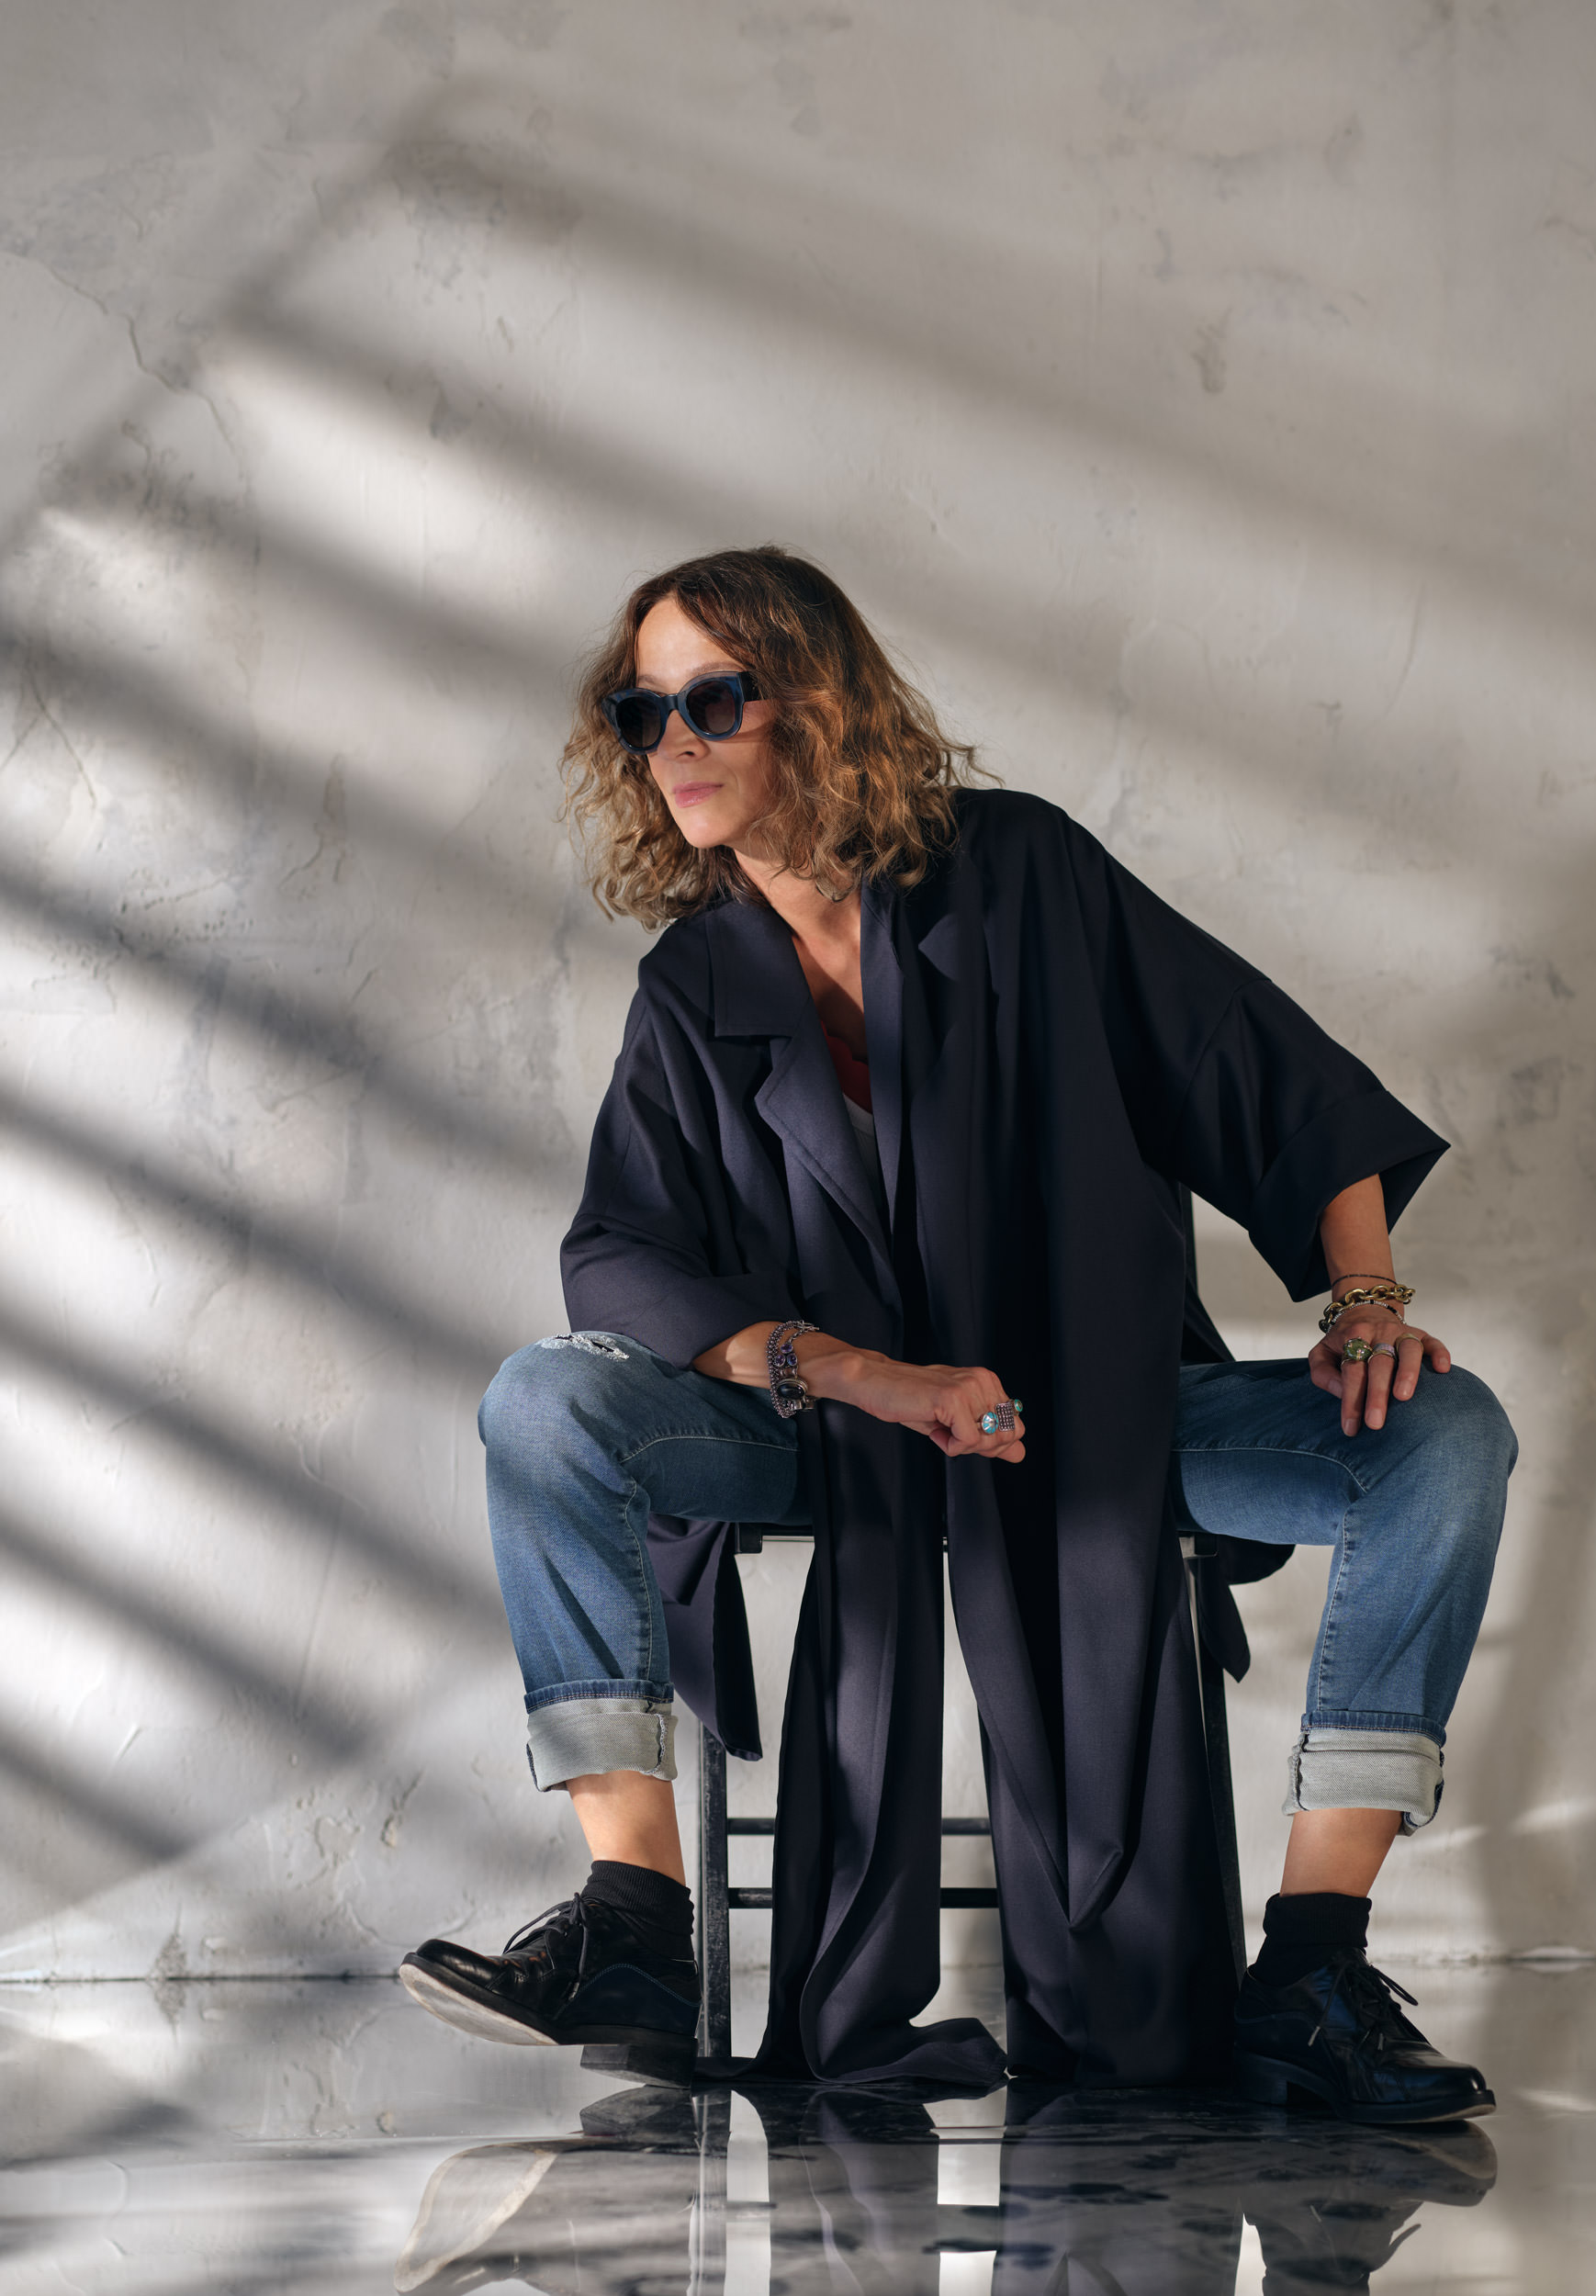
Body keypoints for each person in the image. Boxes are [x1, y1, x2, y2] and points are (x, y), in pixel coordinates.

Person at [399, 547, 1516, 2120]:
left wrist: (1368, 1305)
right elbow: (622, 1258)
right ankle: (634, 1919)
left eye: (715, 698)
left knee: (1445, 1438)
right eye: (642, 712)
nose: (675, 742)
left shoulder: (1023, 875)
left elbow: (1266, 1073)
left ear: (818, 703)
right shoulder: (693, 984)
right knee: (544, 1402)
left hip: (1094, 1417)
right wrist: (862, 1375)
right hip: (826, 1436)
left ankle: (1313, 1969)